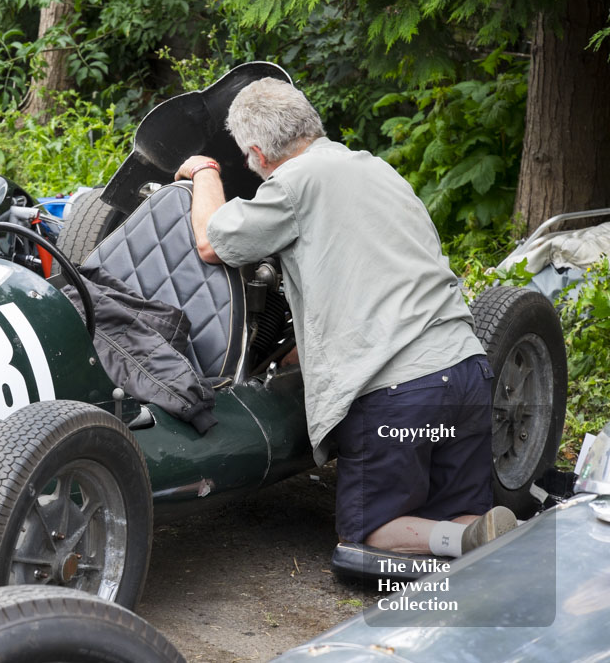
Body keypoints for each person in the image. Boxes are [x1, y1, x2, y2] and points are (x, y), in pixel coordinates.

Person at [174, 77, 515, 557]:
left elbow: (212, 241)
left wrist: (205, 171)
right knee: (459, 508)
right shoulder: (377, 169)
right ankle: (476, 541)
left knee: (369, 535)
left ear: (257, 153)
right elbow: (366, 276)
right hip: (465, 374)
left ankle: (460, 540)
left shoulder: (294, 182)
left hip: (400, 395)